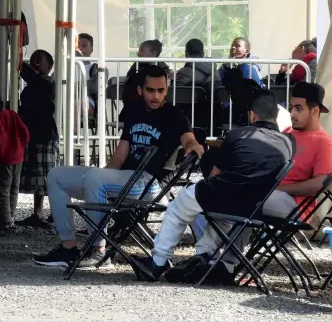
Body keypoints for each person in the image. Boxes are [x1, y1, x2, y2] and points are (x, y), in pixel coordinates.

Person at [32, 65, 204, 267]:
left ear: (167, 89)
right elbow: (120, 155)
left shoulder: (175, 116)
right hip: (123, 179)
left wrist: (194, 146)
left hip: (152, 185)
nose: (156, 96)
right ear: (140, 90)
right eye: (150, 90)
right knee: (57, 175)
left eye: (161, 90)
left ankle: (98, 250)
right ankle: (68, 247)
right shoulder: (134, 111)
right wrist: (99, 175)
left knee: (95, 178)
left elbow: (188, 139)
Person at [133, 89, 294, 284]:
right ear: (276, 116)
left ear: (252, 114)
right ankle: (204, 255)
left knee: (179, 207)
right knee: (222, 217)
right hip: (254, 204)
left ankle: (157, 261)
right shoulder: (288, 143)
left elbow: (215, 175)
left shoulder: (237, 135)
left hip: (224, 193)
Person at [188, 82, 332, 282]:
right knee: (230, 193)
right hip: (267, 195)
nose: (292, 112)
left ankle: (223, 263)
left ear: (315, 110)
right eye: (291, 107)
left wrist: (277, 187)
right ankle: (205, 257)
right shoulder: (288, 132)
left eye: (298, 108)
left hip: (294, 205)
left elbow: (319, 185)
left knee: (243, 193)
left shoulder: (323, 141)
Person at [16, 50, 60, 228]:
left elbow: (30, 76)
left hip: (44, 132)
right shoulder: (34, 84)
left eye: (38, 60)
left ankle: (54, 212)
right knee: (38, 176)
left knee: (46, 175)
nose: (34, 62)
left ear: (49, 66)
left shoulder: (47, 82)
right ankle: (38, 213)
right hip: (33, 132)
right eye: (32, 59)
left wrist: (20, 62)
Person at [0, 89, 30, 232]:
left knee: (2, 188)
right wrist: (22, 147)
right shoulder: (12, 114)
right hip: (18, 156)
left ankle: (5, 222)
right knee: (14, 188)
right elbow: (26, 133)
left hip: (3, 158)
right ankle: (10, 217)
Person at [121, 39, 172, 121]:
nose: (138, 54)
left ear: (153, 54)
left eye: (142, 51)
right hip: (135, 109)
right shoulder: (136, 67)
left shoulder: (164, 69)